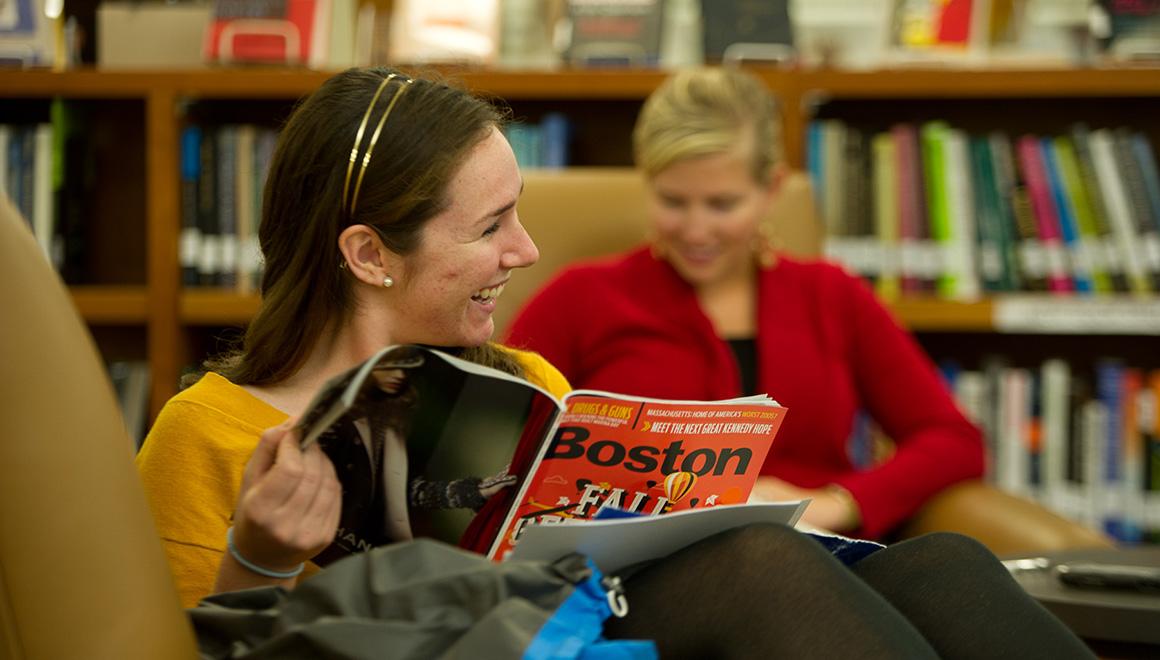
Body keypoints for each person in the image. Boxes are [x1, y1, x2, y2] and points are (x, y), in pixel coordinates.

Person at [135, 67, 1094, 658]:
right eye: (492, 224)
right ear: (370, 255)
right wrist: (258, 558)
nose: (527, 251)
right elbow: (181, 653)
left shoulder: (525, 383)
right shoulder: (209, 430)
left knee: (944, 565)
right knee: (758, 568)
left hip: (583, 639)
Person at [504, 67, 985, 539]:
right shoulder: (581, 298)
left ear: (771, 189)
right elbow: (496, 441)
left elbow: (954, 440)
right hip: (651, 567)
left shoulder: (832, 295)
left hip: (818, 554)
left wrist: (841, 501)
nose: (695, 231)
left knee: (953, 564)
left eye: (722, 205)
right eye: (673, 201)